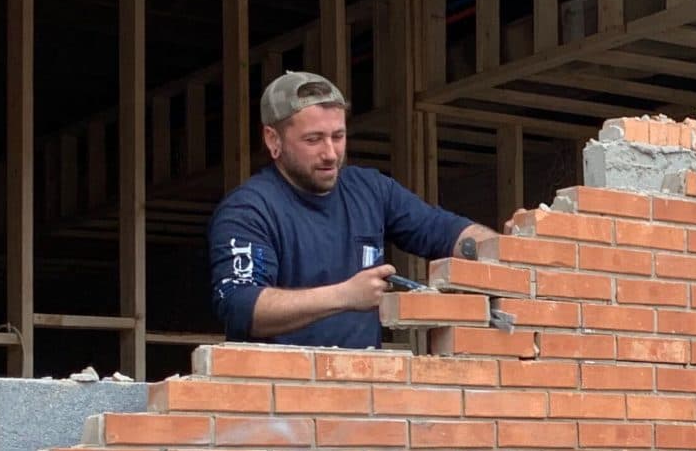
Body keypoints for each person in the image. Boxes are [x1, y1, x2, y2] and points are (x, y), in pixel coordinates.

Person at [208, 70, 489, 347]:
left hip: (361, 385)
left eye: (338, 136)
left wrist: (511, 251)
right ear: (273, 140)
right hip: (278, 388)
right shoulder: (249, 209)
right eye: (313, 139)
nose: (330, 153)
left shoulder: (371, 190)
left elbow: (443, 232)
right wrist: (346, 295)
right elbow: (240, 305)